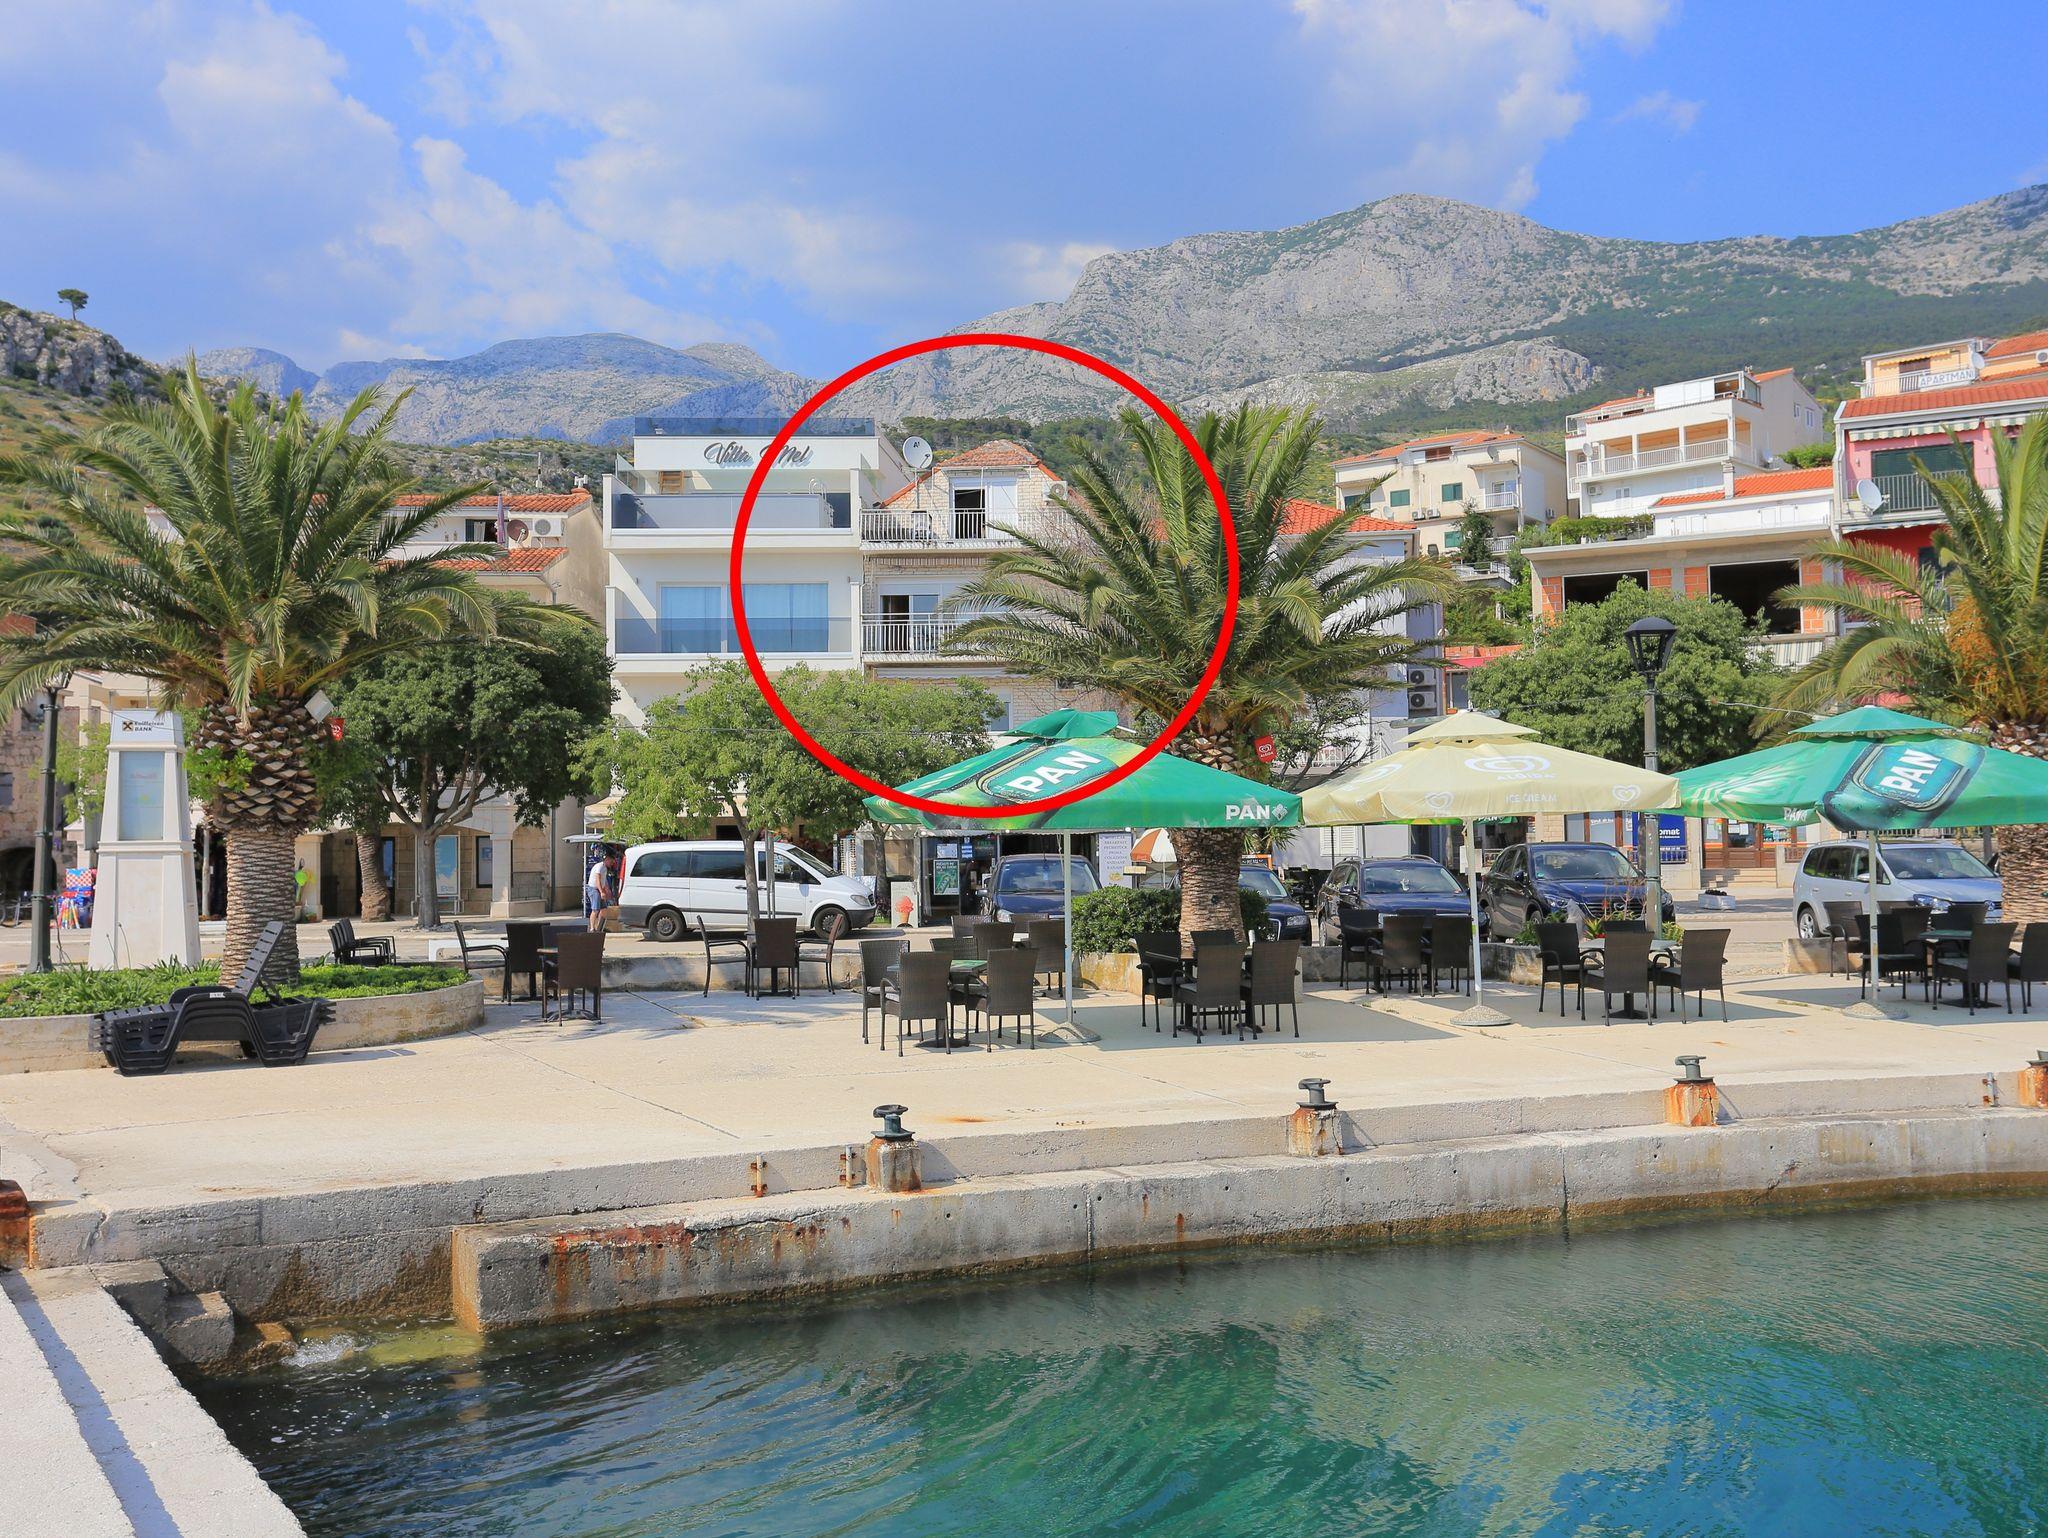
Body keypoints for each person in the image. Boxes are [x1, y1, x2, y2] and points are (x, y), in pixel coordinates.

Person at [585, 851, 615, 933]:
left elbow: (603, 881)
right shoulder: (599, 866)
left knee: (603, 909)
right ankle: (592, 928)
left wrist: (607, 890)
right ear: (607, 859)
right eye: (611, 862)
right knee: (595, 909)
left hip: (599, 888)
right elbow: (597, 881)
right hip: (594, 889)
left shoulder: (605, 868)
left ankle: (599, 927)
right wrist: (602, 892)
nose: (612, 864)